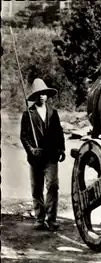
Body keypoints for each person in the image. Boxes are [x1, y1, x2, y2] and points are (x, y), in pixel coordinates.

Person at [20, 78, 65, 231]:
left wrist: (62, 149)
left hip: (51, 156)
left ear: (47, 96)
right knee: (36, 188)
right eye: (39, 94)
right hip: (35, 158)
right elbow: (23, 136)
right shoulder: (28, 114)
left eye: (44, 94)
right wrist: (31, 150)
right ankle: (40, 218)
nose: (41, 96)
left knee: (53, 185)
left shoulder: (54, 113)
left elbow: (59, 133)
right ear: (35, 96)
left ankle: (51, 219)